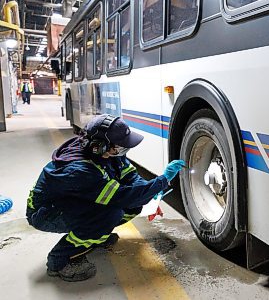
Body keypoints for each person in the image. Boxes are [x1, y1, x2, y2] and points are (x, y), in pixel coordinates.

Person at [26, 114, 185, 282]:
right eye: (120, 146)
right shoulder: (81, 170)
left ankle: (94, 236)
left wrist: (150, 194)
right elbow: (122, 197)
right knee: (110, 215)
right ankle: (58, 260)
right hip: (47, 213)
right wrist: (161, 181)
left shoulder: (106, 153)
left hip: (71, 202)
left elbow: (130, 176)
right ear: (100, 146)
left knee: (132, 206)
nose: (124, 150)